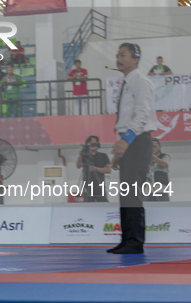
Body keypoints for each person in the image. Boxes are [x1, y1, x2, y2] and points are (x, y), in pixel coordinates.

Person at [108, 43, 157, 255]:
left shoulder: (141, 82)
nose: (118, 58)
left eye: (123, 55)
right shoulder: (126, 83)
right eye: (117, 54)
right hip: (128, 143)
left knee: (132, 192)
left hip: (138, 141)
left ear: (135, 59)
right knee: (125, 194)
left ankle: (135, 241)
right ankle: (126, 239)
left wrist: (126, 141)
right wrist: (119, 152)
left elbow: (142, 115)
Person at [76, 135, 111, 202]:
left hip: (99, 185)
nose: (93, 144)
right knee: (88, 207)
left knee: (103, 205)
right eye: (91, 142)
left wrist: (95, 169)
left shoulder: (103, 156)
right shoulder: (85, 156)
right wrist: (81, 155)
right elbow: (78, 165)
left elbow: (109, 170)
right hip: (87, 186)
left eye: (95, 142)